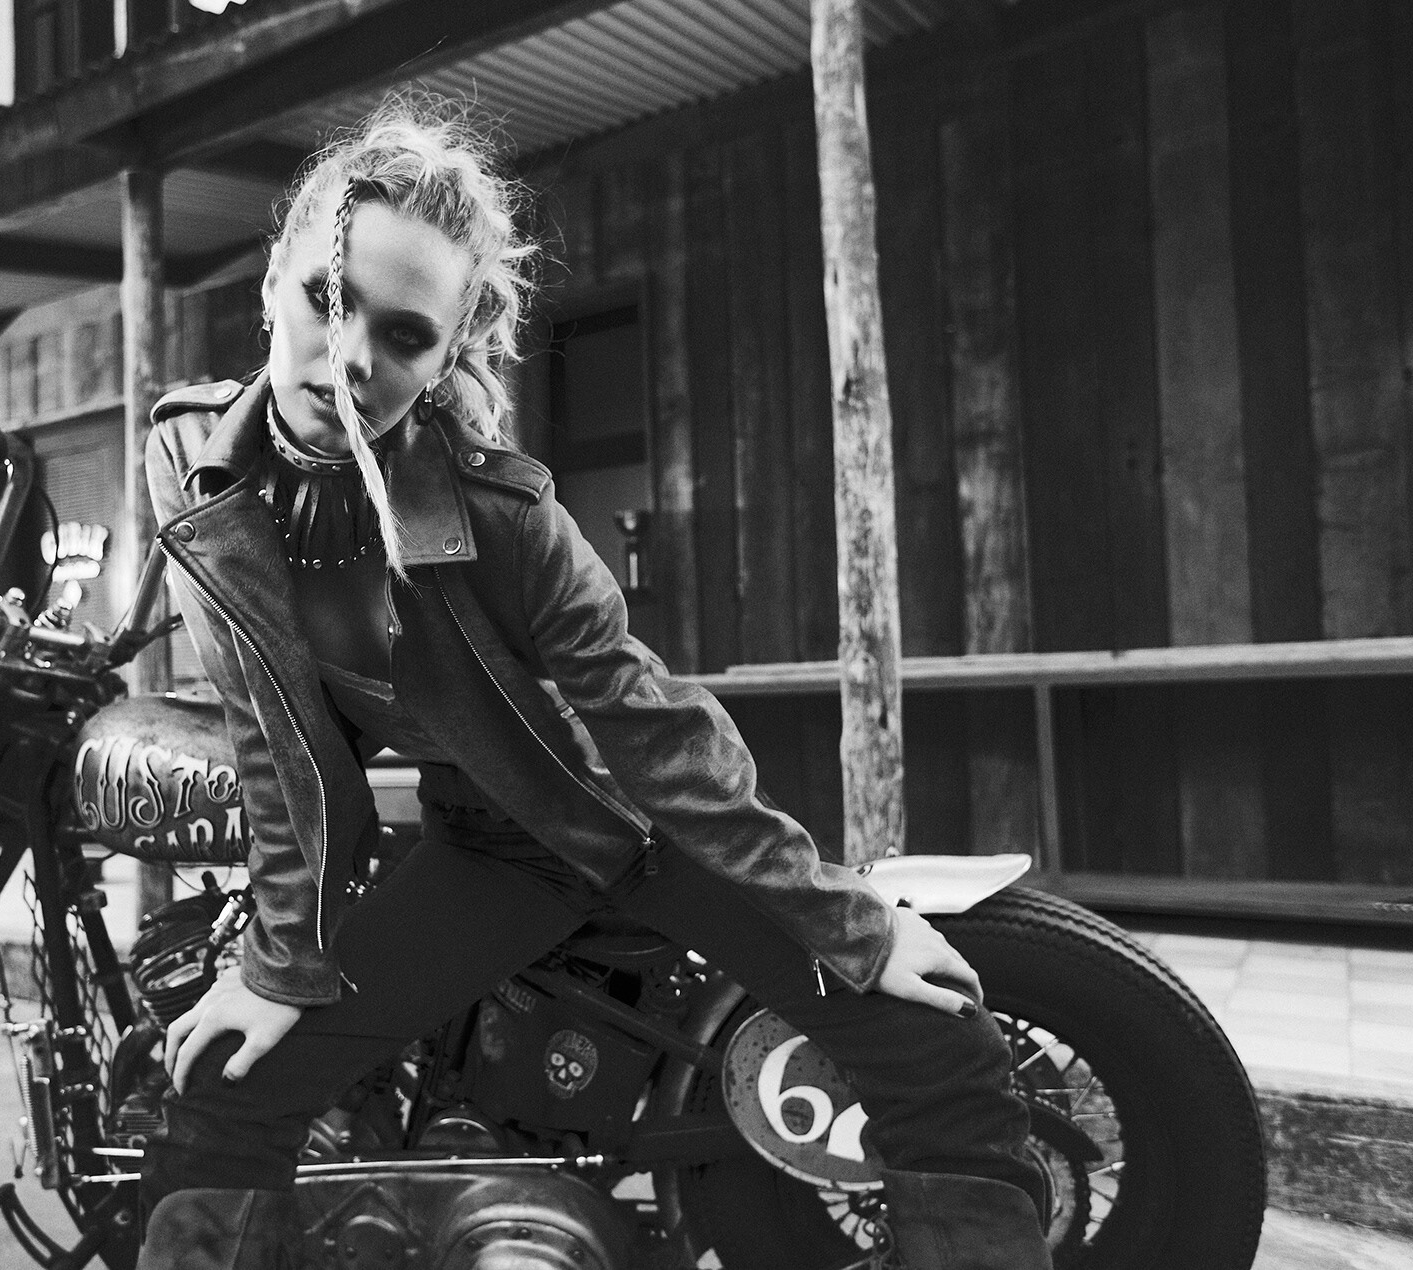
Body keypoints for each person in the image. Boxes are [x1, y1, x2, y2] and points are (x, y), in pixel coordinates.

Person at [140, 96, 1051, 1270]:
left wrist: (848, 920)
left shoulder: (502, 515)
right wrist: (279, 960)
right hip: (490, 847)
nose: (354, 356)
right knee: (225, 1089)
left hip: (630, 826)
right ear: (276, 280)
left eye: (405, 335)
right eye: (328, 297)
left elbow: (647, 720)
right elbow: (274, 737)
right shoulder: (192, 463)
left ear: (446, 355)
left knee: (938, 1040)